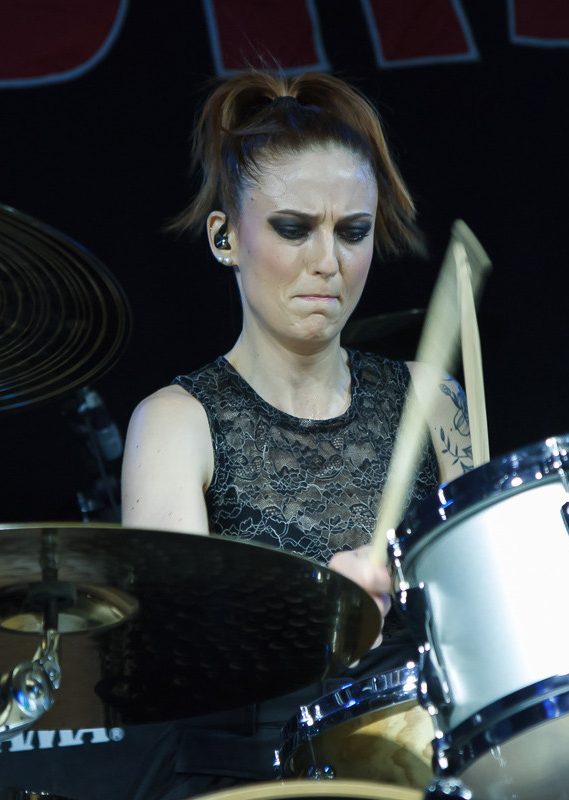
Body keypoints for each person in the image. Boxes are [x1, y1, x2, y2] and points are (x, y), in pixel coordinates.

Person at [120, 70, 474, 798]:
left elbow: (489, 605)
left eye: (353, 232)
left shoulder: (434, 401)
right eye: (293, 228)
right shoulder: (176, 421)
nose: (328, 262)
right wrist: (314, 614)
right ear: (225, 237)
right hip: (249, 777)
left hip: (422, 768)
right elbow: (165, 659)